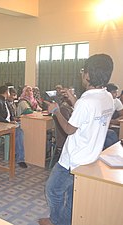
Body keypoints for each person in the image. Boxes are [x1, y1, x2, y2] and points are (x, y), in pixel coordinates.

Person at [39, 54, 114, 225]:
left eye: (83, 71)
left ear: (88, 75)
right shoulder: (107, 97)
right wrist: (74, 100)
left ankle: (56, 221)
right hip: (91, 156)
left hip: (73, 159)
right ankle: (63, 221)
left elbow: (69, 129)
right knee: (74, 194)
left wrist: (55, 111)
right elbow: (88, 117)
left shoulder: (86, 101)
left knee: (53, 190)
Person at [0, 86, 27, 168]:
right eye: (9, 92)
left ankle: (18, 152)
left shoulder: (5, 101)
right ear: (6, 92)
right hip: (0, 125)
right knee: (19, 132)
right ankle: (20, 159)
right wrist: (8, 123)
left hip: (8, 123)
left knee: (27, 126)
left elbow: (10, 115)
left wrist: (14, 120)